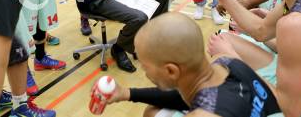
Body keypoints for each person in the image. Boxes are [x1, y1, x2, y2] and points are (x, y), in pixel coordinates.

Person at [103, 12, 280, 117]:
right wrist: (127, 93)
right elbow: (184, 95)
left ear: (171, 70)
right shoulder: (228, 61)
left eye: (145, 65)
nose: (143, 70)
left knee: (152, 112)